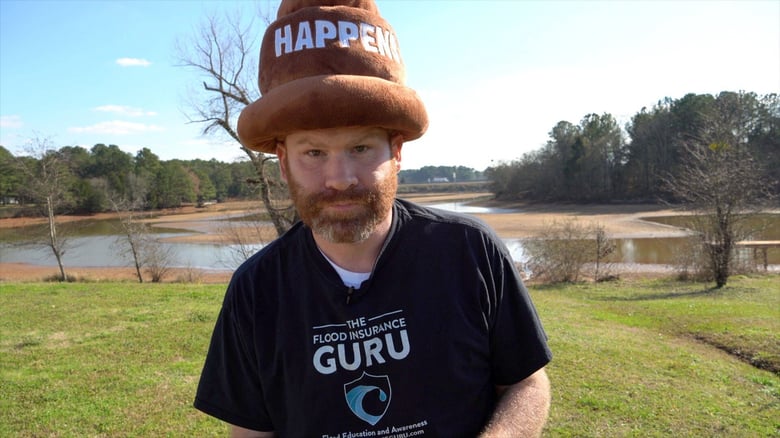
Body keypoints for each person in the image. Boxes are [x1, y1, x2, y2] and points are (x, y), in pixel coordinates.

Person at [194, 1, 552, 436]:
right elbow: (251, 431)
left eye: (361, 148)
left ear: (396, 152)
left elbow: (526, 383)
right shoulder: (257, 289)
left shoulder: (468, 250)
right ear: (283, 162)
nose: (340, 178)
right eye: (314, 153)